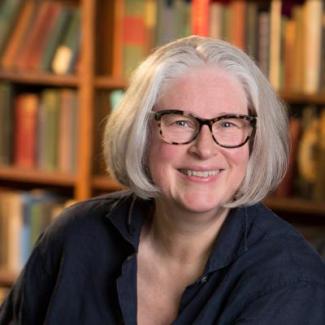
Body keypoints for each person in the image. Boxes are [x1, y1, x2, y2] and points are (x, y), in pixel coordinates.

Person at [1, 36, 325, 325]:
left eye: (228, 124)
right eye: (180, 122)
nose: (204, 148)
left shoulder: (291, 282)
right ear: (140, 134)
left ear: (255, 140)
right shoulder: (74, 236)